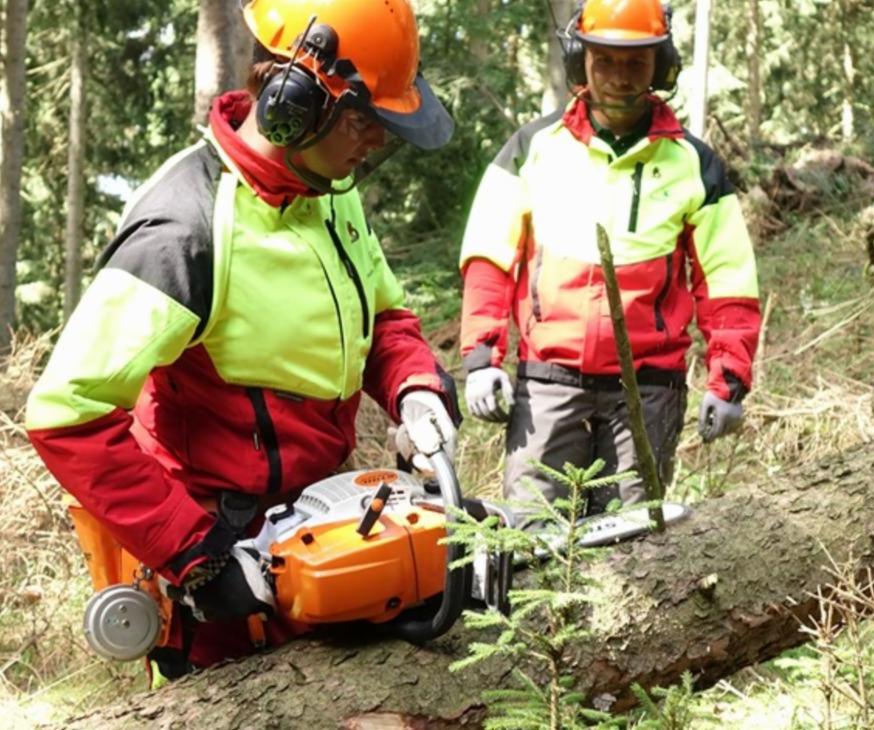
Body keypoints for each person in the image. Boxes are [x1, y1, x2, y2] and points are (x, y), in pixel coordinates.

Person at [25, 0, 459, 678]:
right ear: (294, 101)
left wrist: (416, 390)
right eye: (362, 120)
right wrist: (199, 554)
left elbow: (385, 320)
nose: (375, 142)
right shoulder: (186, 229)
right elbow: (65, 412)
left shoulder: (328, 190)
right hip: (226, 565)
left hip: (323, 531)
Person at [458, 0, 760, 519]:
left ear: (660, 65)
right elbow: (489, 258)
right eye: (606, 61)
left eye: (635, 63)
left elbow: (727, 279)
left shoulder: (694, 164)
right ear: (582, 60)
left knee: (632, 543)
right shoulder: (534, 149)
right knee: (534, 536)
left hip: (647, 390)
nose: (620, 78)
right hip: (548, 382)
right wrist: (482, 360)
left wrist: (728, 378)